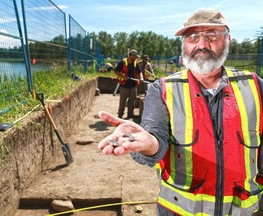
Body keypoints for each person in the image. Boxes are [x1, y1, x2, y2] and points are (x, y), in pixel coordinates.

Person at [98, 8, 263, 216]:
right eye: (192, 37)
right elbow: (156, 137)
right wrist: (148, 143)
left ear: (227, 39)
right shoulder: (163, 89)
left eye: (212, 35)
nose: (201, 44)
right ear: (184, 44)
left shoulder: (255, 86)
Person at [115, 49, 144, 119]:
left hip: (133, 85)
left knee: (132, 100)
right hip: (124, 85)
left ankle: (130, 114)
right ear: (131, 56)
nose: (136, 58)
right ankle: (120, 115)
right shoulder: (122, 62)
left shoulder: (135, 63)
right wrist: (123, 77)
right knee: (123, 101)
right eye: (135, 56)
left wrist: (141, 78)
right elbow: (116, 71)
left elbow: (140, 72)